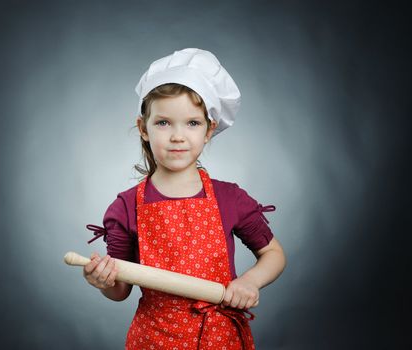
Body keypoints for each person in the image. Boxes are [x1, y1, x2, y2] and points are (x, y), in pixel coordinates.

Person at [83, 48, 286, 349]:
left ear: (209, 130)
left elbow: (274, 254)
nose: (178, 136)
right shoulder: (125, 207)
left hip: (220, 338)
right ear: (143, 128)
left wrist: (248, 282)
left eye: (192, 123)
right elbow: (121, 289)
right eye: (163, 122)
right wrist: (104, 282)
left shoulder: (229, 198)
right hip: (153, 339)